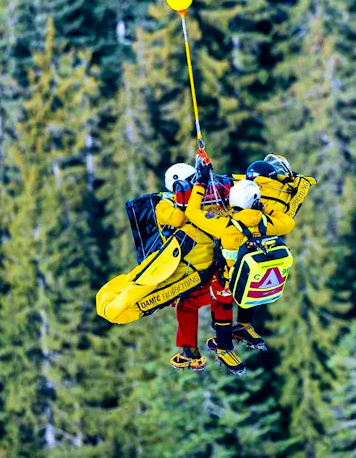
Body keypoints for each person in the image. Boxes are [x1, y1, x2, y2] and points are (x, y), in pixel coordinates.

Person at [184, 155, 296, 375]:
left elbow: (192, 212)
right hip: (250, 282)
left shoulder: (224, 226)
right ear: (256, 200)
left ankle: (224, 347)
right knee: (250, 279)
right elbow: (289, 222)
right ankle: (245, 324)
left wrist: (200, 185)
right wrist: (265, 209)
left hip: (228, 282)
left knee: (223, 297)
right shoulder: (266, 223)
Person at [95, 163, 217, 362]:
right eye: (191, 182)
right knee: (139, 290)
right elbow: (178, 219)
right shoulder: (164, 204)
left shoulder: (202, 201)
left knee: (193, 301)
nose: (196, 187)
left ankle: (205, 343)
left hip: (198, 260)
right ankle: (115, 305)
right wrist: (192, 193)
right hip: (179, 262)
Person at [227, 155, 316, 351]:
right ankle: (245, 324)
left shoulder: (246, 186)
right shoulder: (280, 191)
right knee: (248, 283)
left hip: (234, 237)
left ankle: (223, 336)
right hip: (262, 237)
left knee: (227, 287)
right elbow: (288, 223)